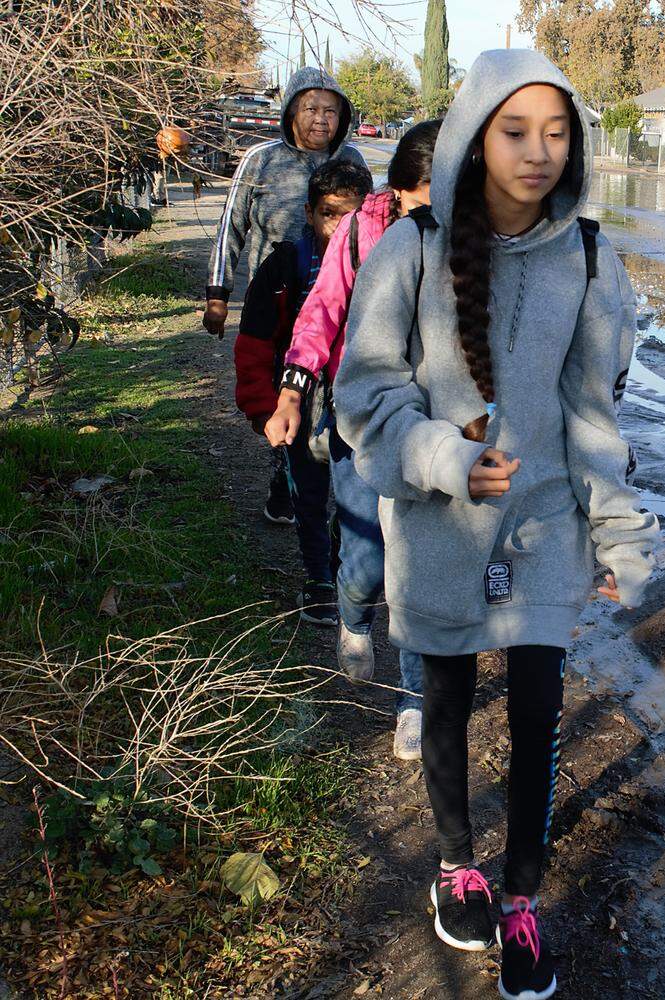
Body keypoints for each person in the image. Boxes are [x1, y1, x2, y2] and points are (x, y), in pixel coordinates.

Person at [334, 50, 658, 999]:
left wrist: (619, 534)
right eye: (517, 131)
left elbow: (594, 415)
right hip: (437, 530)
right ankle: (454, 864)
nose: (540, 152)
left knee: (537, 710)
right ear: (476, 140)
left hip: (545, 528)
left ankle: (520, 897)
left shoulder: (591, 258)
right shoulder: (413, 249)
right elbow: (365, 393)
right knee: (441, 700)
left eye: (558, 133)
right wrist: (441, 457)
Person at [265, 121, 441, 762]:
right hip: (358, 417)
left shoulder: (471, 234)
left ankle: (414, 701)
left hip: (431, 430)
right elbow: (321, 311)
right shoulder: (361, 232)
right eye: (424, 202)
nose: (435, 217)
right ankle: (353, 615)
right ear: (398, 190)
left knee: (418, 571)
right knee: (366, 561)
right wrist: (290, 393)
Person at [204, 66, 368, 527]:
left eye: (331, 111)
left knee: (331, 394)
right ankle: (287, 474)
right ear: (291, 112)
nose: (322, 120)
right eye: (311, 109)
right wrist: (218, 294)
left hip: (338, 309)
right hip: (275, 305)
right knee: (282, 392)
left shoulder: (352, 159)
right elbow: (230, 226)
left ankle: (332, 478)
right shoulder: (261, 159)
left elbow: (372, 227)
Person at [233, 159, 373, 629]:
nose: (339, 227)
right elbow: (254, 341)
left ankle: (340, 564)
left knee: (355, 493)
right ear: (310, 213)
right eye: (329, 214)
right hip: (300, 393)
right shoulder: (284, 265)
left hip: (360, 396)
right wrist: (262, 404)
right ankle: (317, 578)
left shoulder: (384, 263)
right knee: (308, 491)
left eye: (351, 214)